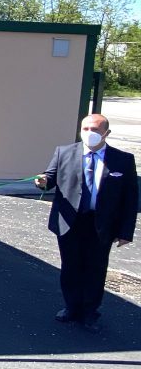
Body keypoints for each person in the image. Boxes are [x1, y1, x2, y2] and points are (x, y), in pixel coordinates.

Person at [34, 113, 137, 333]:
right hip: (70, 221)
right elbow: (49, 178)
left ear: (106, 133)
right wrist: (42, 181)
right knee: (70, 266)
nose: (90, 133)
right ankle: (71, 307)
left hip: (102, 224)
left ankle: (90, 312)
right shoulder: (64, 152)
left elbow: (130, 199)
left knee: (96, 268)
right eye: (86, 129)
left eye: (95, 130)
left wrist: (126, 231)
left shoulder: (123, 160)